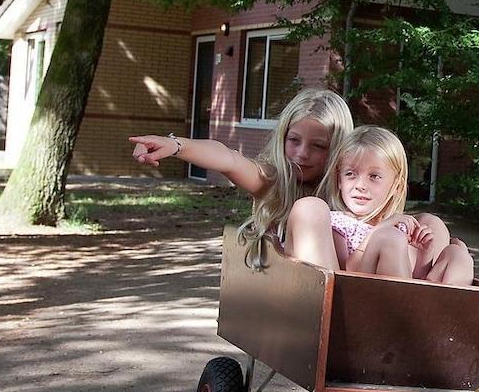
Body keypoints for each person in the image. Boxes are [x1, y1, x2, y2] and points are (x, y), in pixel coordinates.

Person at [129, 86, 352, 270]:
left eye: (318, 146)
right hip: (294, 300)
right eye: (294, 140)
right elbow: (229, 159)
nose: (302, 153)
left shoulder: (356, 192)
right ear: (282, 137)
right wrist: (176, 145)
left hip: (347, 299)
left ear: (337, 148)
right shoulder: (273, 181)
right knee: (310, 208)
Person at [289, 125, 476, 285]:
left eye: (374, 176)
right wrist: (379, 231)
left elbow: (416, 276)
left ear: (396, 186)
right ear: (339, 181)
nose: (360, 185)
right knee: (389, 237)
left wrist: (425, 254)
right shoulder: (338, 224)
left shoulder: (401, 226)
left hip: (408, 295)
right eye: (350, 174)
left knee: (458, 255)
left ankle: (446, 312)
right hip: (363, 298)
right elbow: (349, 271)